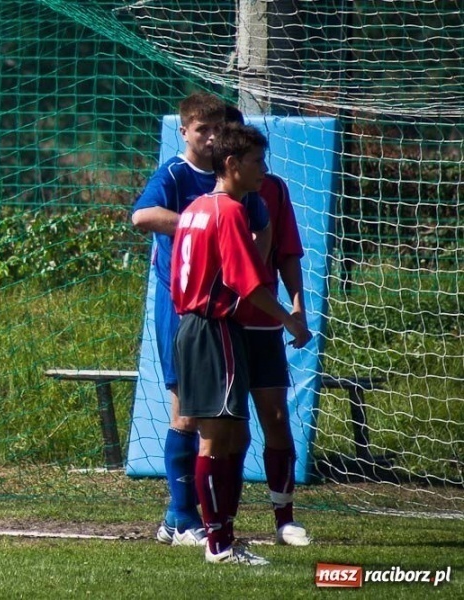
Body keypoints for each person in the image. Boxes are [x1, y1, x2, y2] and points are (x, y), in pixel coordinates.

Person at [131, 93, 271, 546]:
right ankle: (179, 517)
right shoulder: (176, 174)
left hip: (226, 312)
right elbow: (142, 215)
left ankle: (207, 519)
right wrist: (197, 223)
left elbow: (261, 223)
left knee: (228, 422)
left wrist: (253, 260)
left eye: (216, 130)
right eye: (201, 130)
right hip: (182, 308)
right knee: (187, 414)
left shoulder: (229, 180)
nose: (209, 137)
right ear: (184, 131)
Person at [171, 122, 311, 565]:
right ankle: (218, 545)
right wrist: (290, 319)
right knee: (219, 438)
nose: (262, 171)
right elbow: (243, 281)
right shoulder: (228, 211)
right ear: (231, 164)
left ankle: (225, 537)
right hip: (215, 330)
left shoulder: (195, 207)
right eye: (256, 162)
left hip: (191, 327)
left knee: (229, 432)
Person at [228, 107, 310, 546]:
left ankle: (285, 518)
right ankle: (216, 522)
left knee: (276, 417)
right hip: (220, 326)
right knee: (228, 428)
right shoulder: (211, 199)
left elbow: (287, 253)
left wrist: (297, 305)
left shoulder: (273, 190)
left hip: (263, 325)